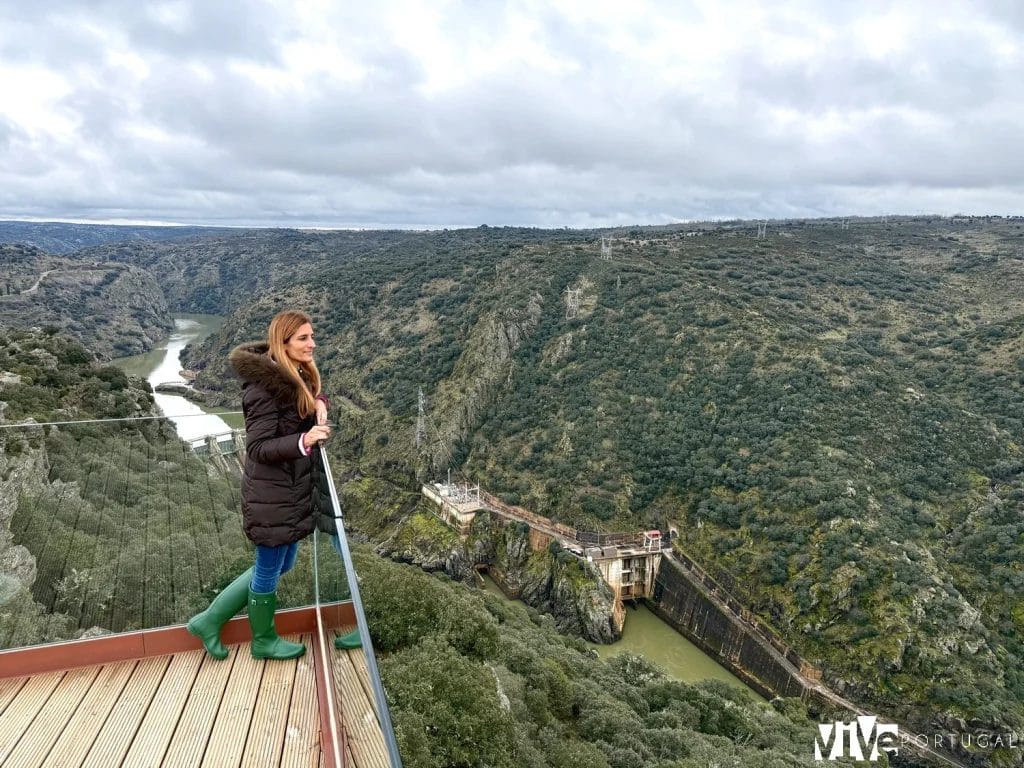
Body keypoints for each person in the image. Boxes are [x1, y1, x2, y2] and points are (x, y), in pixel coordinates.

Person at [187, 309, 337, 660]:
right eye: (303, 338)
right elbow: (257, 447)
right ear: (281, 343)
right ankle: (262, 639)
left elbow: (298, 407)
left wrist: (319, 402)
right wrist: (305, 441)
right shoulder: (262, 389)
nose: (312, 343)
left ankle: (210, 620)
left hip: (289, 492)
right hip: (272, 496)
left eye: (312, 336)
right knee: (269, 568)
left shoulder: (292, 374)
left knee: (279, 565)